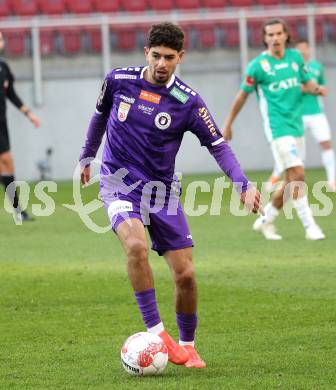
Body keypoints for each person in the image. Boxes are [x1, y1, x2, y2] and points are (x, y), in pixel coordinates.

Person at [80, 22, 262, 369]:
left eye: (169, 57)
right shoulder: (118, 80)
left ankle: (188, 345)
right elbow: (99, 115)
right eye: (156, 55)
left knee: (186, 275)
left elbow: (218, 145)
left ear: (181, 57)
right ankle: (157, 333)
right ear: (145, 52)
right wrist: (87, 155)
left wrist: (243, 183)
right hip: (118, 183)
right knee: (135, 246)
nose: (162, 63)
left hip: (161, 191)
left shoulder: (188, 102)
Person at [223, 18, 326, 241]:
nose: (275, 38)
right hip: (277, 128)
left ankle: (265, 220)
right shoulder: (258, 66)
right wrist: (228, 123)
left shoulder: (295, 58)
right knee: (298, 174)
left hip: (296, 126)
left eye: (279, 33)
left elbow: (306, 82)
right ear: (265, 38)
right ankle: (311, 227)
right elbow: (242, 95)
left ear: (286, 35)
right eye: (270, 35)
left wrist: (316, 89)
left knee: (291, 182)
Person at [267, 39, 335, 192]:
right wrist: (310, 88)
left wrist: (321, 89)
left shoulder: (317, 67)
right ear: (295, 51)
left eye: (306, 48)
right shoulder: (290, 67)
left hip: (317, 113)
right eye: (300, 49)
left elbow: (320, 86)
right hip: (297, 114)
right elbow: (294, 88)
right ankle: (275, 176)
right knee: (290, 146)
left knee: (326, 144)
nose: (303, 51)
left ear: (310, 50)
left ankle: (332, 180)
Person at [0, 31, 41, 221]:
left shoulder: (4, 68)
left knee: (7, 163)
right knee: (6, 162)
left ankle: (18, 211)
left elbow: (11, 95)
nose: (1, 41)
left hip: (2, 124)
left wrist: (29, 114)